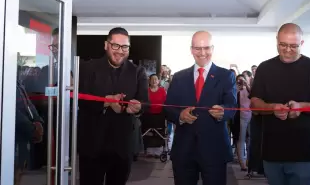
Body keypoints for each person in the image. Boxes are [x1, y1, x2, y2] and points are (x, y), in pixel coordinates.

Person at [250, 23, 310, 185]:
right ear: (276, 40)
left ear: (302, 44)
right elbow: (254, 103)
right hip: (272, 152)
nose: (287, 50)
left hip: (305, 154)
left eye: (293, 46)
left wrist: (302, 107)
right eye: (283, 45)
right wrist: (272, 108)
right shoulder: (265, 68)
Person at [77, 27, 149, 185]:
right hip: (92, 145)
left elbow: (144, 102)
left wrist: (137, 107)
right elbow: (80, 100)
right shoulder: (87, 68)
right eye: (115, 45)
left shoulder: (138, 72)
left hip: (122, 146)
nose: (120, 51)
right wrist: (106, 101)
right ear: (106, 45)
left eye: (124, 47)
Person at [164, 31, 237, 185]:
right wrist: (180, 116)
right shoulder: (178, 77)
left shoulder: (226, 76)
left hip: (214, 149)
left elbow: (232, 107)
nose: (202, 53)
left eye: (206, 48)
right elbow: (168, 109)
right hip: (184, 149)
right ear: (191, 50)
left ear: (212, 48)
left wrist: (222, 112)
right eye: (198, 48)